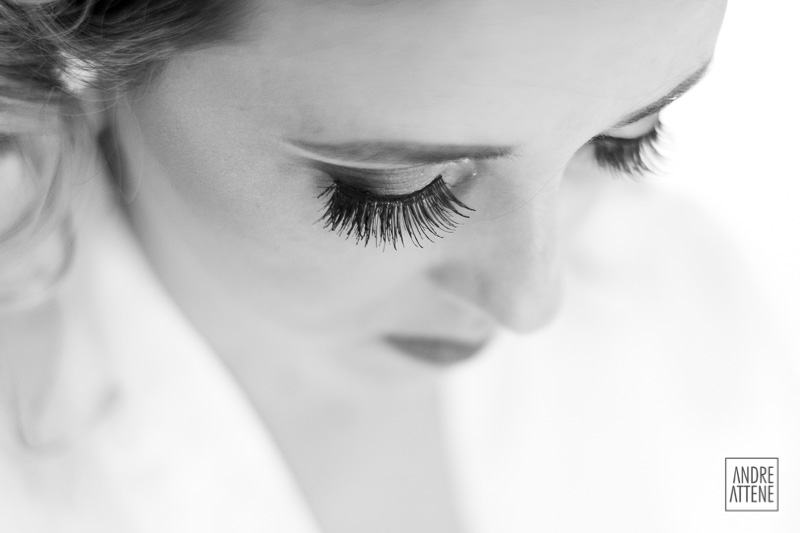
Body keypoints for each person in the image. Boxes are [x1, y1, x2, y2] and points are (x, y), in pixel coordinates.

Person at [1, 0, 798, 532]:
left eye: (627, 138)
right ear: (79, 51)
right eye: (397, 191)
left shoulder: (687, 299)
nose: (531, 302)